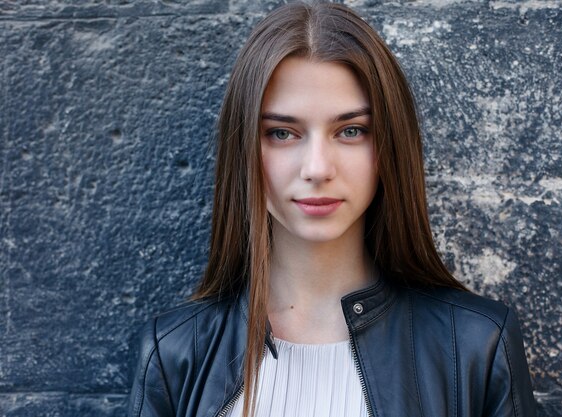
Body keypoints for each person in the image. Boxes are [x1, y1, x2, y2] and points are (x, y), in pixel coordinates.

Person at [128, 2, 537, 417]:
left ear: (390, 145)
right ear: (244, 149)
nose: (318, 168)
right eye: (282, 133)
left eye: (351, 131)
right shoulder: (174, 352)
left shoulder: (475, 345)